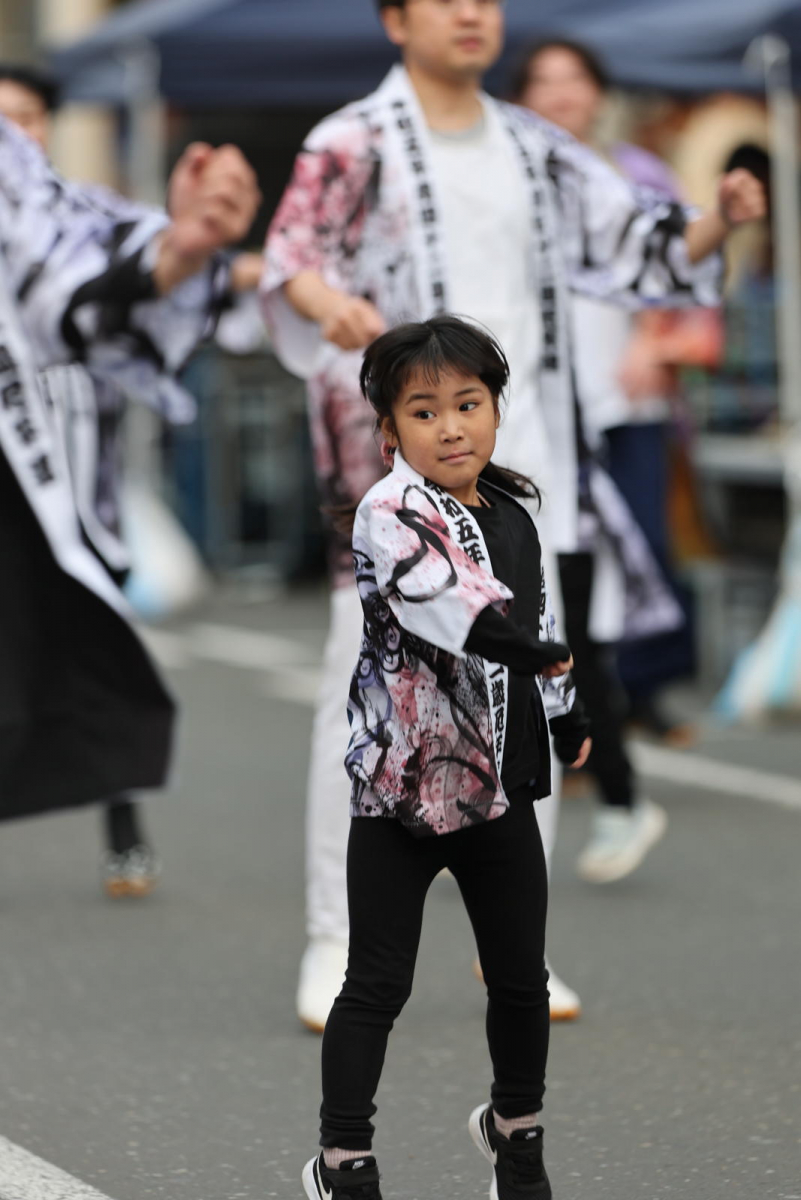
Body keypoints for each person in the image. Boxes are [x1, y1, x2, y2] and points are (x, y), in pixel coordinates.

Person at [262, 0, 765, 1030]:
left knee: (524, 684)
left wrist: (720, 218)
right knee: (364, 684)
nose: (471, 14)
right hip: (393, 465)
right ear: (396, 19)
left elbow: (639, 244)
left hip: (520, 458)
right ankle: (335, 939)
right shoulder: (352, 140)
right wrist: (332, 308)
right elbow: (291, 258)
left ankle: (515, 956)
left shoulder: (538, 147)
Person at [302, 315, 590, 1200]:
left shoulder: (512, 513)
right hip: (400, 794)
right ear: (390, 431)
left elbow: (541, 625)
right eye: (424, 412)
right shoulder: (389, 513)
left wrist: (565, 709)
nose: (451, 426)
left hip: (498, 788)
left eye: (468, 404)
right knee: (375, 984)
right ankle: (343, 1158)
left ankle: (517, 1142)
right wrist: (526, 652)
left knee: (520, 982)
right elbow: (444, 601)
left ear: (496, 412)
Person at [0, 63, 260, 896]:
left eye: (30, 118)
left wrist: (191, 250)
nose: (18, 136)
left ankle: (124, 826)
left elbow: (159, 277)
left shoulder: (89, 218)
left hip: (77, 489)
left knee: (98, 644)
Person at [512, 39, 729, 880]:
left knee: (607, 592)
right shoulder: (509, 178)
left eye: (575, 82)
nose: (562, 96)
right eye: (545, 82)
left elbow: (680, 271)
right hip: (525, 428)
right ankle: (596, 780)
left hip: (619, 416)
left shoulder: (632, 173)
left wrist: (654, 343)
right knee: (529, 620)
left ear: (598, 95)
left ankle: (619, 760)